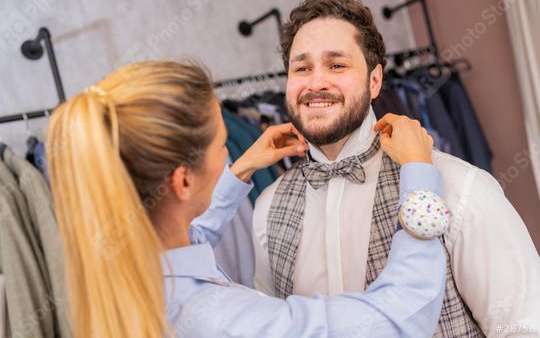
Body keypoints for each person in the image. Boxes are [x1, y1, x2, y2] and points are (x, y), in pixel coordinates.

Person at [47, 60, 448, 337]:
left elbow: (191, 241)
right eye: (223, 145)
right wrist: (420, 180)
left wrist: (240, 172)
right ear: (181, 182)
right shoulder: (221, 321)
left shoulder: (128, 274)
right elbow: (401, 319)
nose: (228, 154)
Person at [252, 0, 540, 337]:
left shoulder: (460, 187)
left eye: (337, 65)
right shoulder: (268, 207)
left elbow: (524, 326)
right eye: (301, 68)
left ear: (375, 81)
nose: (316, 83)